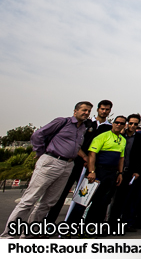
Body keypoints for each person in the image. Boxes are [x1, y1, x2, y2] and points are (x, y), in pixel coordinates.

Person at [2, 101, 91, 237]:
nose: (86, 113)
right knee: (29, 200)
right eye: (84, 110)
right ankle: (8, 236)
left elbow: (75, 146)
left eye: (89, 111)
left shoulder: (82, 128)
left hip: (68, 165)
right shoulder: (62, 122)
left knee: (48, 202)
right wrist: (41, 153)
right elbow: (38, 135)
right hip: (51, 161)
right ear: (75, 111)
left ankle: (29, 235)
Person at [46, 100, 112, 224]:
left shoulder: (109, 128)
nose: (104, 111)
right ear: (98, 109)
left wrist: (91, 162)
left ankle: (72, 225)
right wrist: (83, 156)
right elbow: (74, 142)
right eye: (102, 109)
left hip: (91, 166)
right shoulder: (85, 123)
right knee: (61, 194)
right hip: (74, 163)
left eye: (107, 109)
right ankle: (49, 223)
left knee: (83, 197)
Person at [84, 116, 128, 224]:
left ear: (124, 126)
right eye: (116, 122)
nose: (118, 125)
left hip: (112, 173)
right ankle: (86, 226)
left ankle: (98, 225)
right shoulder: (103, 136)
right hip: (100, 171)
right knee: (95, 200)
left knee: (105, 200)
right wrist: (91, 171)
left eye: (121, 123)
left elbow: (121, 158)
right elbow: (92, 154)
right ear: (113, 123)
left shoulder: (123, 140)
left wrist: (120, 173)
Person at [110, 113, 141, 229]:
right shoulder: (119, 135)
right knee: (111, 199)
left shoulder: (140, 138)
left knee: (125, 199)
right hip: (114, 171)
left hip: (129, 173)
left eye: (135, 124)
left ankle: (121, 224)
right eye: (130, 123)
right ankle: (109, 223)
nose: (132, 126)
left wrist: (137, 171)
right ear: (127, 124)